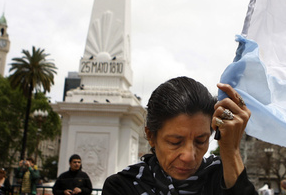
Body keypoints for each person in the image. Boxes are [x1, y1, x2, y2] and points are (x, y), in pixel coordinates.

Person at [102, 76, 257, 194]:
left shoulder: (223, 177)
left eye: (201, 141)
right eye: (175, 142)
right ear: (151, 136)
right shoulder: (123, 186)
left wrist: (231, 150)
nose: (189, 156)